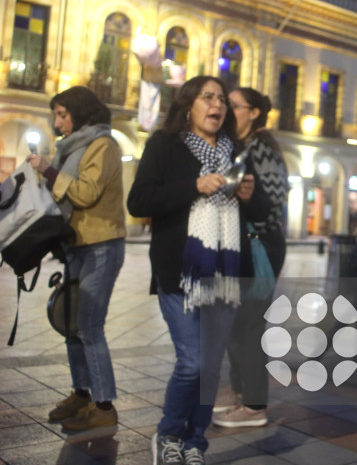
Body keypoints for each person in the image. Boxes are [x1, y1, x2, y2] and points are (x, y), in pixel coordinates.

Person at [127, 76, 268, 465]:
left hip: (226, 272)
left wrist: (249, 196)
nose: (217, 104)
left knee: (210, 366)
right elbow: (138, 201)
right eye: (207, 97)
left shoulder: (236, 151)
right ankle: (169, 434)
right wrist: (195, 185)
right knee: (192, 362)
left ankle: (194, 444)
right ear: (188, 104)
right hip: (180, 270)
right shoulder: (164, 145)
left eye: (221, 98)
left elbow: (259, 212)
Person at [26, 86, 126, 431]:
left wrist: (49, 171)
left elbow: (85, 193)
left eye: (63, 115)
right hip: (75, 244)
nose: (57, 123)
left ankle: (104, 405)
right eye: (55, 115)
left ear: (80, 113)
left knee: (89, 326)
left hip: (101, 244)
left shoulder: (104, 146)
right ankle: (81, 394)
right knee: (72, 326)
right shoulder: (69, 149)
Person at [212, 87, 288, 428]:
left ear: (254, 112)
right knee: (236, 325)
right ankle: (242, 395)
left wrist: (246, 201)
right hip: (244, 243)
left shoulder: (263, 150)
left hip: (261, 246)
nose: (227, 110)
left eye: (234, 105)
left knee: (249, 326)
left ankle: (255, 405)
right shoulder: (240, 146)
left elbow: (272, 209)